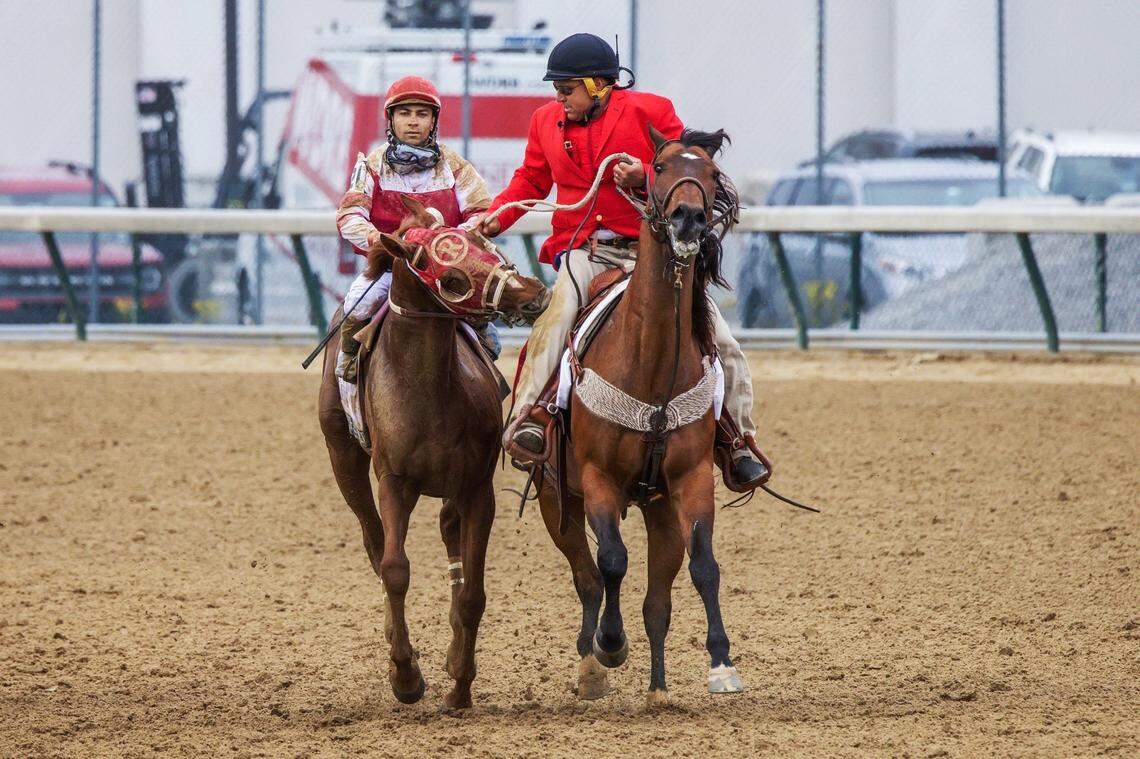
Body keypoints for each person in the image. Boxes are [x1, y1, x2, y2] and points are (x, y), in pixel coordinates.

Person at [473, 33, 768, 487]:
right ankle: (529, 418)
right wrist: (496, 218)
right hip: (585, 252)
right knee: (553, 323)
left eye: (567, 89)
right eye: (557, 90)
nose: (559, 99)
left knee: (723, 340)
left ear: (599, 85)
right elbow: (530, 181)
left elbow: (689, 167)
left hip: (652, 255)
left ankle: (737, 440)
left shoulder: (652, 111)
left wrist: (644, 175)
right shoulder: (544, 121)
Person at [334, 75, 495, 382]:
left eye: (422, 114)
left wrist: (452, 242)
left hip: (447, 273)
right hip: (391, 269)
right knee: (359, 299)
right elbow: (350, 214)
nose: (413, 122)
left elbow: (482, 212)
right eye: (404, 113)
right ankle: (347, 366)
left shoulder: (456, 166)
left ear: (433, 121)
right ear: (391, 119)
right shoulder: (371, 164)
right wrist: (378, 239)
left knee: (489, 332)